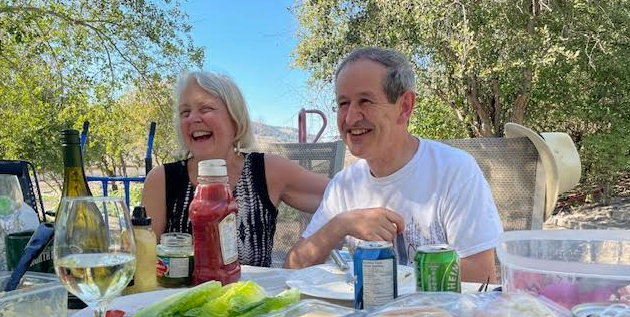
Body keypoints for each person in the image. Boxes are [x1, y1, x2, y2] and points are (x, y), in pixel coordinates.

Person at [285, 47, 503, 282]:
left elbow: (481, 276)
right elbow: (292, 269)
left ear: (405, 106)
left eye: (365, 101)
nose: (349, 118)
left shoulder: (454, 170)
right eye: (344, 103)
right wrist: (341, 224)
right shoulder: (344, 185)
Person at [142, 71, 329, 267]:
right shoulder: (162, 180)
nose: (193, 119)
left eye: (205, 109)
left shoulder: (267, 170)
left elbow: (344, 196)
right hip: (182, 297)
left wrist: (328, 233)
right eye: (185, 112)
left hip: (254, 297)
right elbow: (143, 268)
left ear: (234, 119)